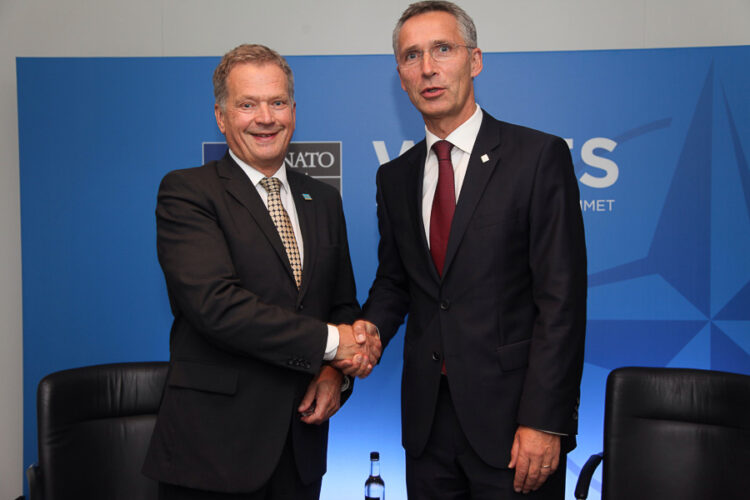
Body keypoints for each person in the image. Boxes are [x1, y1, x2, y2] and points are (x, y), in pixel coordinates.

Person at [343, 2, 587, 498]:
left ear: (474, 60)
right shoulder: (394, 177)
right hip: (428, 426)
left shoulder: (537, 158)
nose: (428, 68)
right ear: (400, 74)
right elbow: (396, 282)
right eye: (412, 56)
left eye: (443, 49)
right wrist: (367, 331)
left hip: (516, 425)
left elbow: (561, 302)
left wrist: (545, 420)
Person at [143, 44, 371, 500]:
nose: (265, 118)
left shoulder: (323, 200)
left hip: (301, 445)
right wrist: (332, 343)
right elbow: (217, 307)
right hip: (214, 454)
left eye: (277, 102)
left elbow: (341, 303)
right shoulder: (187, 192)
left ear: (292, 109)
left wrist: (334, 376)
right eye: (247, 104)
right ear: (221, 116)